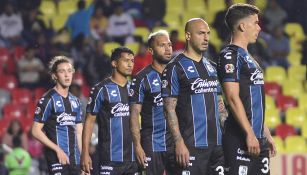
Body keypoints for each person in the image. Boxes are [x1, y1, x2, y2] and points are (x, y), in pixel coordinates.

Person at [161, 18, 226, 175]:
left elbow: (220, 106)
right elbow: (169, 109)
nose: (206, 38)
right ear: (188, 36)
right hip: (190, 147)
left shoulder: (212, 67)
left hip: (217, 148)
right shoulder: (174, 68)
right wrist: (178, 142)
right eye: (201, 33)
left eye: (208, 34)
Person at [217, 3, 276, 175]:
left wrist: (266, 134)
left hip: (258, 139)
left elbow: (255, 102)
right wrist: (249, 134)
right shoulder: (230, 55)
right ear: (242, 26)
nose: (259, 27)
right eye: (256, 23)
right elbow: (232, 97)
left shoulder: (250, 58)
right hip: (240, 138)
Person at [81, 47, 138, 175]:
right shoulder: (100, 89)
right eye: (126, 60)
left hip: (133, 159)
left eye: (132, 61)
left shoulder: (135, 89)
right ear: (114, 63)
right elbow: (89, 122)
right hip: (110, 159)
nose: (130, 64)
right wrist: (85, 153)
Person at [129, 30, 178, 175]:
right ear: (151, 50)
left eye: (169, 44)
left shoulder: (178, 74)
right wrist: (137, 146)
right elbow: (134, 114)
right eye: (162, 45)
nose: (168, 48)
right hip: (152, 143)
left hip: (176, 142)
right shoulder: (141, 78)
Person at [31, 56, 83, 175]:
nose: (66, 75)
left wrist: (83, 157)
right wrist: (57, 149)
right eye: (62, 71)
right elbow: (35, 131)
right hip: (57, 159)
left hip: (76, 160)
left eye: (69, 71)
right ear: (55, 75)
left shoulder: (76, 101)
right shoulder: (48, 99)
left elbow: (79, 132)